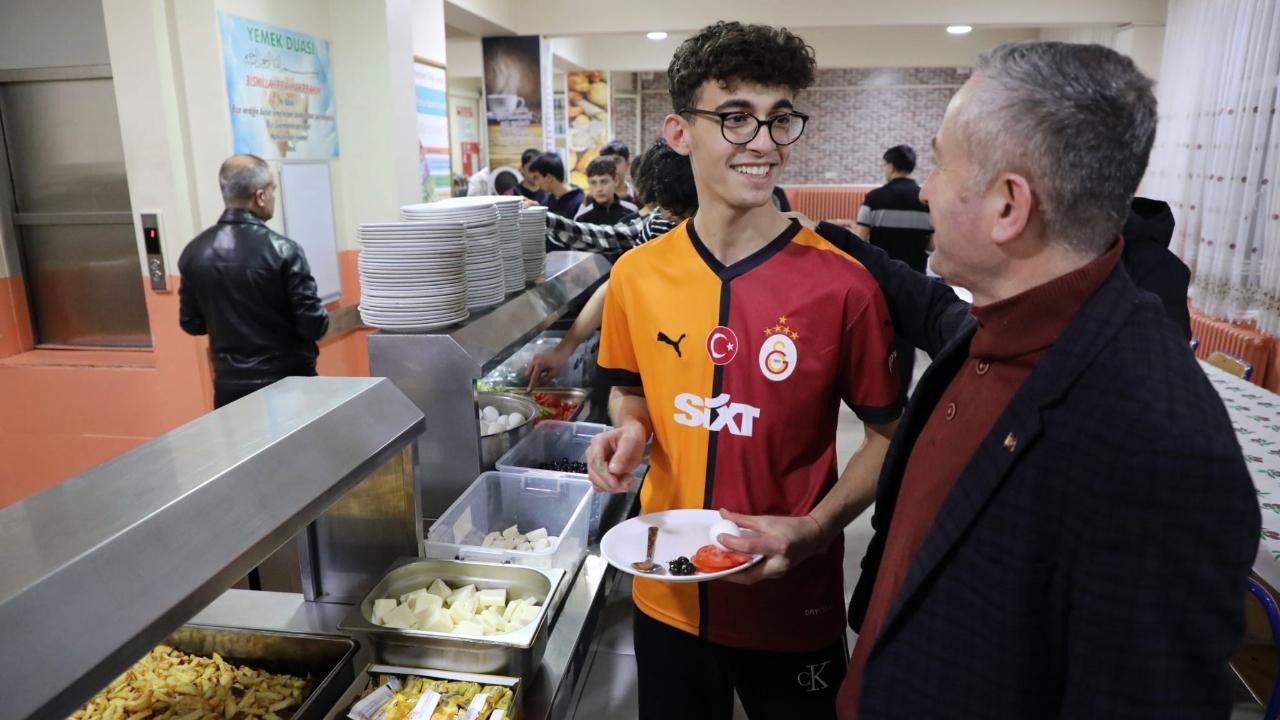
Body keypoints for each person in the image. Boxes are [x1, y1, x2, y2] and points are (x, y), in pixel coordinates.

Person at [777, 42, 1257, 719]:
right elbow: (930, 307)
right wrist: (826, 239)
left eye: (941, 163)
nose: (925, 189)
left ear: (1009, 205)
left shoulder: (1158, 446)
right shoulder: (1009, 323)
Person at [586, 22, 903, 719]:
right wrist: (631, 431)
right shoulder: (636, 276)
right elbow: (631, 392)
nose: (763, 143)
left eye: (779, 119)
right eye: (735, 118)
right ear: (679, 132)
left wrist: (815, 529)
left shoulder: (843, 285)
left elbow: (887, 436)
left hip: (791, 601)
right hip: (665, 589)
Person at [179, 155, 330, 408]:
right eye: (273, 190)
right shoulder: (285, 251)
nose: (273, 197)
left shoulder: (194, 252)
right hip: (290, 385)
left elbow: (192, 323)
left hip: (229, 389)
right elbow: (315, 326)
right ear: (260, 196)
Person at [853, 145, 932, 273]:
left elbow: (860, 240)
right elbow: (931, 245)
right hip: (916, 276)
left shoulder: (873, 198)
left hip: (881, 274)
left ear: (891, 167)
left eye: (885, 165)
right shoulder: (926, 200)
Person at [575, 157, 638, 225]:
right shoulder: (581, 218)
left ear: (615, 181)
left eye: (604, 182)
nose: (599, 189)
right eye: (593, 183)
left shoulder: (632, 211)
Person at [528, 151, 585, 219]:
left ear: (549, 178)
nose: (535, 183)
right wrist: (536, 206)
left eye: (536, 178)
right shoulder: (551, 198)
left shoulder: (578, 202)